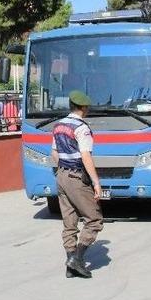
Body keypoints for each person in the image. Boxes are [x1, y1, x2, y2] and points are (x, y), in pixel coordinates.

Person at [50, 90, 103, 279]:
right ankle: (77, 259)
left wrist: (59, 173)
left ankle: (70, 264)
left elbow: (54, 154)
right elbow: (86, 156)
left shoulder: (58, 126)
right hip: (76, 178)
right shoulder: (82, 128)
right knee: (94, 219)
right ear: (84, 108)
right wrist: (96, 183)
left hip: (61, 176)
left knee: (69, 221)